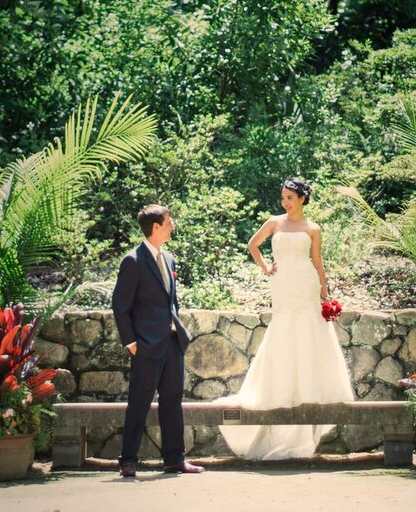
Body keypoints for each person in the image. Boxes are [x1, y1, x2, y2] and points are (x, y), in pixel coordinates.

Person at [218, 178, 354, 459]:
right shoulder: (273, 222)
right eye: (283, 198)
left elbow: (317, 262)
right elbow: (252, 244)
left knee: (306, 332)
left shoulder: (313, 228)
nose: (285, 202)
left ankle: (307, 393)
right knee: (283, 331)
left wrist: (325, 295)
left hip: (305, 284)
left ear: (302, 199)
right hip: (282, 285)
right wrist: (266, 267)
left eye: (290, 197)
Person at [111, 204, 205, 477]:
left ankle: (174, 459)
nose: (172, 226)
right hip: (146, 346)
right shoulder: (133, 261)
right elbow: (120, 305)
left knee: (172, 402)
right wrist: (131, 342)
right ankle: (127, 460)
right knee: (139, 402)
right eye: (168, 222)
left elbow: (170, 302)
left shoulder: (170, 259)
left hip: (172, 343)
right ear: (155, 227)